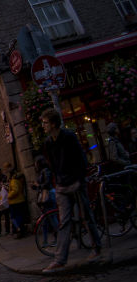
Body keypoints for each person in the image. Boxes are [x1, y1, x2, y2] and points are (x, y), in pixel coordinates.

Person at [41, 108, 103, 272]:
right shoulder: (48, 142)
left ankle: (97, 248)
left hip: (75, 182)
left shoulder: (68, 137)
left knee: (86, 216)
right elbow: (52, 164)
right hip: (61, 185)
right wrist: (55, 182)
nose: (43, 126)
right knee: (65, 221)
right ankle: (60, 259)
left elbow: (81, 158)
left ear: (53, 123)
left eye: (45, 122)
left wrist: (79, 177)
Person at [32, 155, 57, 248]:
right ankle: (45, 241)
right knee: (45, 220)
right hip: (44, 196)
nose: (35, 165)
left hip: (48, 195)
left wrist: (38, 185)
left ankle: (59, 238)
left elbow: (47, 183)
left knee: (52, 218)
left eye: (36, 163)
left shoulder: (45, 171)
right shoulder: (41, 172)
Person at [4, 163, 29, 238]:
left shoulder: (14, 179)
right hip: (18, 200)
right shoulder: (16, 178)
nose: (5, 170)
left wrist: (8, 195)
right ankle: (20, 230)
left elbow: (15, 190)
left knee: (15, 217)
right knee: (18, 217)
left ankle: (20, 231)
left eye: (6, 168)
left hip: (16, 201)